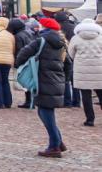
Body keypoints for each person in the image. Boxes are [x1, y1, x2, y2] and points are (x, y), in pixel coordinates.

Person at [15, 17, 67, 157]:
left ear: (44, 27)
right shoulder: (61, 42)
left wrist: (18, 64)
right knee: (46, 111)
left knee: (45, 112)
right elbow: (68, 63)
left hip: (43, 80)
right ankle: (58, 141)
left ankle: (54, 145)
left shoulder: (41, 40)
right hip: (57, 80)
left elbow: (24, 53)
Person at [67, 19, 102, 127]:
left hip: (82, 71)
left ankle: (90, 119)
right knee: (101, 94)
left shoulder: (75, 38)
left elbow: (70, 53)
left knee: (86, 96)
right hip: (99, 70)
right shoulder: (101, 38)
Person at [8, 18, 35, 109]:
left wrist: (17, 62)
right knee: (29, 81)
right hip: (31, 59)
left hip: (24, 60)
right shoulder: (27, 33)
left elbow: (19, 50)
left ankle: (29, 102)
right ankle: (30, 101)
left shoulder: (18, 36)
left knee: (25, 81)